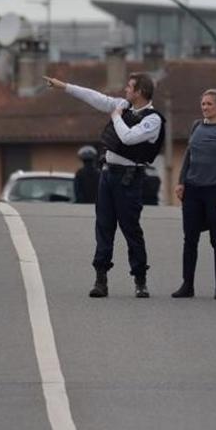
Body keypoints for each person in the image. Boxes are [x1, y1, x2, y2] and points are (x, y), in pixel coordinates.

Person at [44, 73, 163, 299]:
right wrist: (64, 86)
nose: (125, 91)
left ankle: (140, 279)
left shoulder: (152, 119)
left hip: (129, 178)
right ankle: (101, 279)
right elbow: (95, 98)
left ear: (139, 92)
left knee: (131, 229)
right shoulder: (122, 105)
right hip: (108, 175)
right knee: (103, 226)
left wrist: (116, 116)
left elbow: (128, 138)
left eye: (129, 87)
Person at [173, 89, 216, 300]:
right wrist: (181, 182)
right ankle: (187, 284)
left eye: (209, 104)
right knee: (189, 238)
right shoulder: (196, 126)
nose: (205, 107)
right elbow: (188, 156)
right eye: (203, 104)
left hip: (215, 191)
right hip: (193, 189)